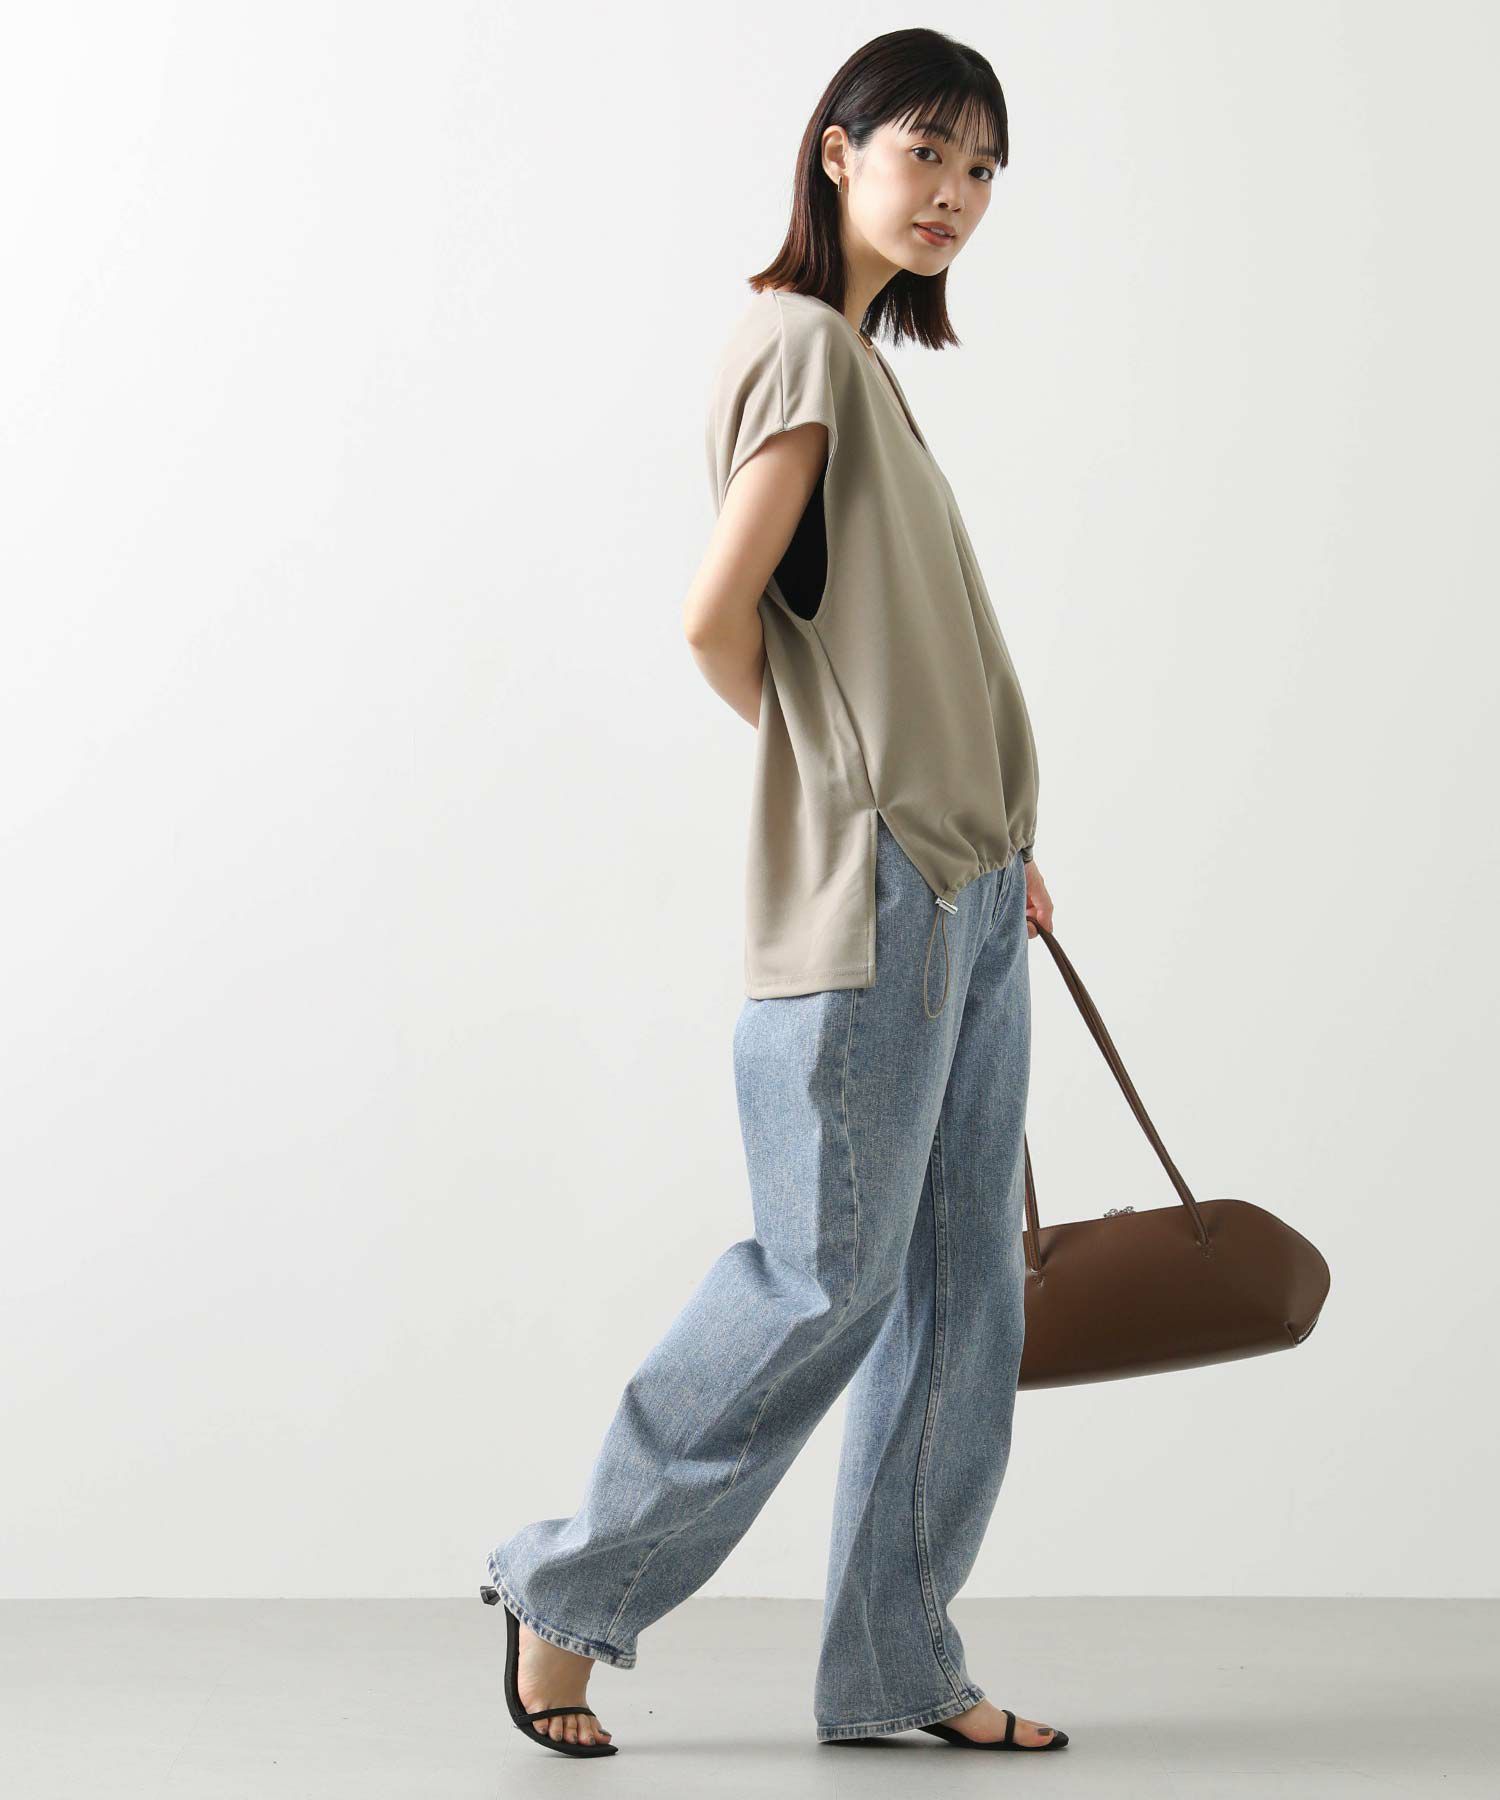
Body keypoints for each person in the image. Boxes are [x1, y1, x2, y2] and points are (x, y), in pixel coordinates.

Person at [482, 27, 1068, 1758]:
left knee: (964, 1296)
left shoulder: (864, 365)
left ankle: (895, 1665)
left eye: (982, 170)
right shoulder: (802, 343)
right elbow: (713, 616)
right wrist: (857, 797)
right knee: (825, 1281)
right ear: (836, 151)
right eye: (925, 152)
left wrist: (994, 843)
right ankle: (567, 1589)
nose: (954, 194)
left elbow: (897, 656)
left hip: (973, 884)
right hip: (880, 887)